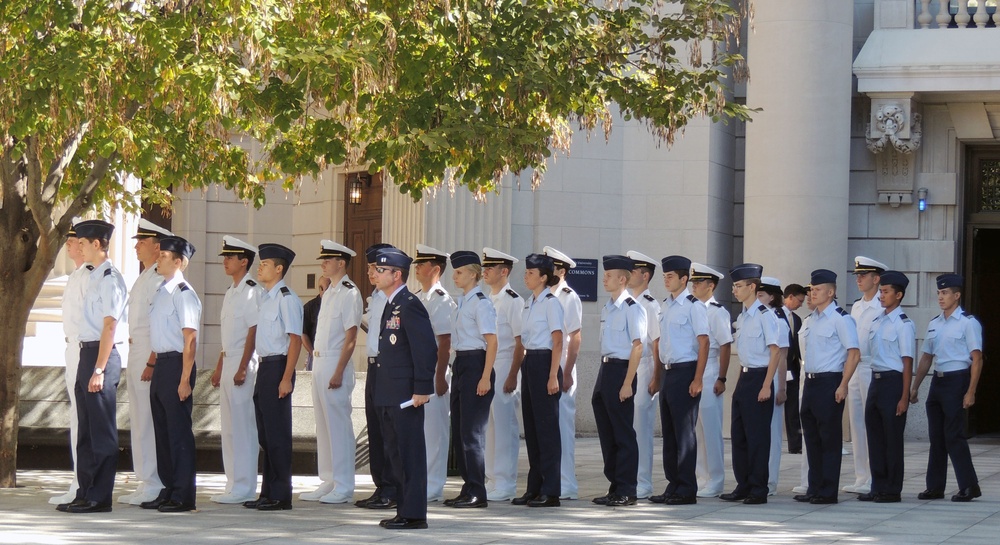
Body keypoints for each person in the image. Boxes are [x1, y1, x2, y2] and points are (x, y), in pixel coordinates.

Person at [58, 220, 126, 514]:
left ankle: (100, 496)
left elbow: (109, 326)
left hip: (100, 355)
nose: (79, 247)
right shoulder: (92, 276)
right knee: (85, 429)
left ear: (97, 244)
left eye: (83, 243)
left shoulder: (111, 278)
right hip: (86, 352)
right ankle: (85, 491)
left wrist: (99, 369)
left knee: (101, 431)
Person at [370, 248, 438, 529]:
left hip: (406, 395)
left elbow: (427, 349)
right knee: (395, 454)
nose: (375, 273)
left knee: (409, 454)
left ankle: (413, 514)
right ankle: (404, 509)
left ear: (397, 275)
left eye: (382, 270)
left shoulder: (409, 304)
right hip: (389, 392)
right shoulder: (389, 303)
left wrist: (422, 388)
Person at [909, 274, 983, 502]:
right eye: (939, 293)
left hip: (957, 379)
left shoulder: (968, 322)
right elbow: (926, 358)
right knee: (936, 437)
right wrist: (915, 387)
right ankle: (935, 486)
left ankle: (970, 486)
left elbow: (977, 358)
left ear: (957, 295)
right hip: (937, 382)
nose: (940, 297)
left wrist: (971, 391)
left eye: (945, 293)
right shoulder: (934, 323)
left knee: (954, 436)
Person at [142, 236, 201, 513]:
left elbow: (190, 339)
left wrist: (185, 378)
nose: (159, 257)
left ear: (178, 262)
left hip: (178, 364)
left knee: (178, 433)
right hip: (162, 365)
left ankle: (183, 494)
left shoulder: (183, 293)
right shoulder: (160, 291)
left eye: (164, 255)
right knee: (163, 432)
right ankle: (169, 488)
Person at [300, 240, 362, 504]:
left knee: (338, 426)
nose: (323, 263)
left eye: (327, 260)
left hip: (336, 362)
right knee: (324, 426)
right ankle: (328, 480)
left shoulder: (349, 292)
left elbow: (351, 337)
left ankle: (344, 484)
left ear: (341, 263)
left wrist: (338, 371)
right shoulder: (329, 293)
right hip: (319, 362)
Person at [244, 243, 303, 511]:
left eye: (265, 264)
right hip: (265, 366)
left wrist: (287, 377)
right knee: (266, 434)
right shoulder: (265, 297)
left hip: (279, 366)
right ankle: (268, 491)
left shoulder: (286, 298)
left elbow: (294, 340)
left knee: (278, 434)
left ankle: (281, 495)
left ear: (279, 269)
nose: (260, 267)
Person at [119, 219, 172, 507]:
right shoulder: (144, 276)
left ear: (157, 246)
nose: (137, 246)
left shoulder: (158, 278)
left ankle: (155, 481)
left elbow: (157, 324)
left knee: (149, 420)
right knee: (139, 420)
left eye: (142, 242)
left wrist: (152, 361)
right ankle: (144, 480)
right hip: (135, 350)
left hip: (148, 353)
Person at [795, 269, 860, 505]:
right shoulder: (811, 320)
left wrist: (843, 384)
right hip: (810, 382)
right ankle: (815, 486)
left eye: (817, 289)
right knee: (811, 438)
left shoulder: (841, 319)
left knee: (829, 439)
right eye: (811, 289)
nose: (812, 292)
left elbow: (854, 353)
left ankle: (828, 491)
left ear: (831, 292)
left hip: (830, 381)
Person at [718, 264, 779, 505]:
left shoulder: (766, 315)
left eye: (739, 286)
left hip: (760, 376)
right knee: (739, 434)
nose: (734, 290)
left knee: (757, 437)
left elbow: (775, 352)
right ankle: (743, 484)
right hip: (744, 376)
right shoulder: (743, 316)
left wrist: (767, 385)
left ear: (752, 287)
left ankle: (758, 487)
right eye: (733, 286)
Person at [649, 255, 708, 505]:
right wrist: (658, 375)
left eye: (670, 276)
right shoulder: (666, 306)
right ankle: (673, 484)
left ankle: (686, 488)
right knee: (670, 433)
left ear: (684, 279)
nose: (666, 280)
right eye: (664, 276)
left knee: (684, 433)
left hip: (686, 371)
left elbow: (704, 342)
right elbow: (661, 344)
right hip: (669, 372)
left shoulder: (694, 306)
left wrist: (698, 379)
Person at [209, 235, 263, 504]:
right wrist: (220, 367)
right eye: (225, 257)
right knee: (229, 428)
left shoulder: (252, 290)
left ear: (244, 261)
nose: (225, 261)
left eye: (230, 257)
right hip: (229, 360)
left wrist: (243, 367)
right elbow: (228, 336)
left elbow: (253, 331)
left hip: (244, 363)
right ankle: (232, 483)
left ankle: (245, 486)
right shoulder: (232, 291)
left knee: (243, 427)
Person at [508, 253, 564, 508]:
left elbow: (558, 341)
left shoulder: (552, 303)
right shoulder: (529, 303)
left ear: (543, 277)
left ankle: (551, 490)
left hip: (545, 363)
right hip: (531, 363)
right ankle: (535, 486)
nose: (526, 276)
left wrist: (553, 375)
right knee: (531, 429)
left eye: (531, 273)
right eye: (526, 272)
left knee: (547, 430)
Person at [444, 251, 498, 509]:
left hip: (477, 363)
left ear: (473, 275)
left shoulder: (480, 302)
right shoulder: (462, 301)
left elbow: (492, 341)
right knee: (462, 431)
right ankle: (468, 487)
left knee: (472, 434)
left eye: (459, 272)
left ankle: (478, 491)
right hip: (462, 364)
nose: (454, 276)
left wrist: (486, 376)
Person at [590, 255, 645, 507]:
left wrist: (627, 382)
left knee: (623, 434)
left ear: (622, 279)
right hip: (605, 370)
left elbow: (637, 347)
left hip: (622, 371)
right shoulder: (608, 307)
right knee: (607, 434)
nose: (605, 279)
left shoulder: (633, 308)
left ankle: (627, 489)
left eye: (609, 275)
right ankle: (614, 486)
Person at [859, 271, 914, 503]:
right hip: (876, 380)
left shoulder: (904, 324)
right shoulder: (877, 320)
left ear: (898, 295)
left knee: (892, 439)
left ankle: (892, 489)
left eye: (886, 292)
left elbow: (907, 361)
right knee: (875, 437)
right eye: (880, 291)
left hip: (893, 382)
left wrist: (904, 396)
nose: (881, 295)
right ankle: (877, 485)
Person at [49, 223, 90, 506]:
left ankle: (83, 484)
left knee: (84, 422)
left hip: (84, 349)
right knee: (77, 420)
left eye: (74, 241)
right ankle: (78, 482)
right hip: (72, 349)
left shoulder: (90, 276)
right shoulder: (77, 274)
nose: (69, 245)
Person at [412, 243, 456, 503]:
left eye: (422, 263)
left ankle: (434, 485)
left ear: (436, 269)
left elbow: (445, 341)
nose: (417, 267)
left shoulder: (442, 300)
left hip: (434, 372)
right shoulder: (418, 297)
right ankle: (421, 480)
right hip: (418, 372)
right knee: (419, 431)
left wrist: (440, 376)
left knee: (435, 432)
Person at [356, 243, 398, 510]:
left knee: (388, 431)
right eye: (370, 267)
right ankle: (381, 485)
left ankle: (392, 488)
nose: (371, 272)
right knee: (375, 429)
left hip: (388, 369)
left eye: (376, 267)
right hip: (373, 367)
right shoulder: (375, 297)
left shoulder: (394, 299)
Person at [482, 248, 524, 502]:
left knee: (504, 427)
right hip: (488, 365)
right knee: (488, 426)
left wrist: (512, 375)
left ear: (504, 271)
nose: (484, 271)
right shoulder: (487, 298)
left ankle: (506, 482)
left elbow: (521, 343)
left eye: (490, 268)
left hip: (506, 363)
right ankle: (491, 479)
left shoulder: (513, 301)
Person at [688, 263, 732, 499]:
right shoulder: (692, 308)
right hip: (693, 369)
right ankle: (701, 477)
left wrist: (722, 377)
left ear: (711, 285)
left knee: (711, 429)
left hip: (711, 369)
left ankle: (715, 479)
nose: (694, 285)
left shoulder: (717, 312)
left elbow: (725, 345)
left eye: (699, 282)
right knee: (696, 429)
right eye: (693, 282)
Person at [844, 256, 887, 495]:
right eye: (858, 275)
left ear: (876, 279)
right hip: (854, 367)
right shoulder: (857, 306)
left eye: (864, 275)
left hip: (873, 367)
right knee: (857, 424)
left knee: (873, 425)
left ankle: (876, 475)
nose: (859, 279)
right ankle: (862, 476)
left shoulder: (881, 307)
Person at [542, 246, 582, 500]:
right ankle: (551, 480)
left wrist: (566, 372)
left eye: (551, 267)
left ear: (562, 270)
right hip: (545, 366)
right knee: (546, 428)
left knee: (563, 428)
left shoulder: (569, 296)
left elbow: (575, 337)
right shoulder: (544, 296)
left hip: (563, 365)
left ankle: (567, 482)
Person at [625, 250, 661, 500]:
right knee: (627, 427)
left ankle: (643, 482)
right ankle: (627, 479)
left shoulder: (650, 305)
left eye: (634, 271)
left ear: (645, 276)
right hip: (627, 367)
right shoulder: (627, 302)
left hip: (645, 366)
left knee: (641, 428)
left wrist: (656, 376)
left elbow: (656, 343)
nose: (629, 275)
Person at [758, 277, 789, 497]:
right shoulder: (755, 316)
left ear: (772, 296)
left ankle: (770, 480)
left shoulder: (779, 318)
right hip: (758, 378)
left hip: (773, 379)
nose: (757, 298)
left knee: (772, 432)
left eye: (761, 294)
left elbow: (782, 356)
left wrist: (781, 387)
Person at [782, 284, 807, 455]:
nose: (801, 304)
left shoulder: (797, 319)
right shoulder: (774, 315)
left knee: (793, 409)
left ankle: (795, 444)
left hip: (793, 369)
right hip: (777, 367)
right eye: (799, 300)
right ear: (790, 297)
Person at [302, 276, 332, 371]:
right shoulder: (309, 307)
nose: (324, 291)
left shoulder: (338, 305)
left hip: (333, 356)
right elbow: (303, 334)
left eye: (327, 288)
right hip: (316, 355)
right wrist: (312, 353)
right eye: (321, 288)